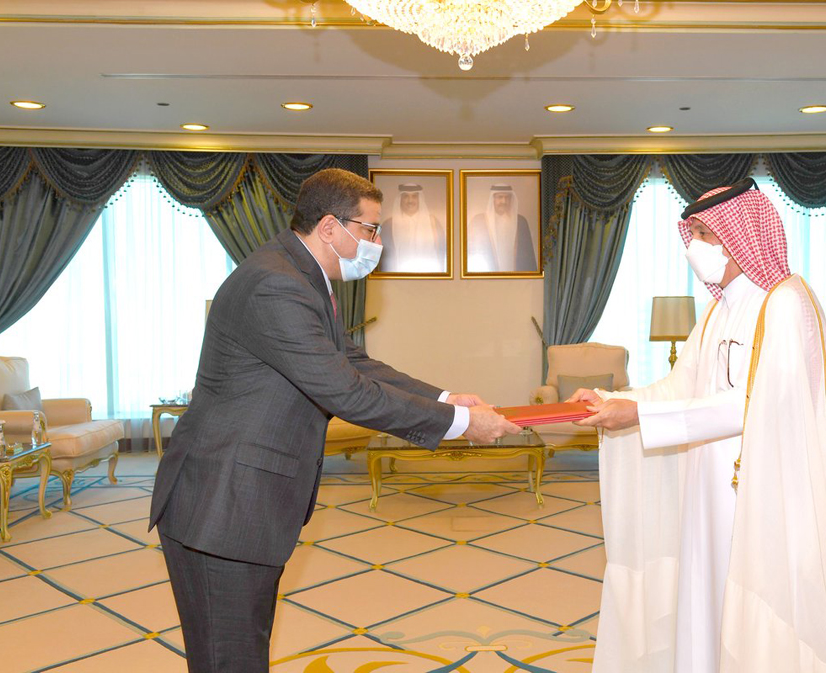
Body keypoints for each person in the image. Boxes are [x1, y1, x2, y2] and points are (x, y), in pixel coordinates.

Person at [148, 168, 520, 673]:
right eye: (370, 230)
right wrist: (458, 423)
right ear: (329, 227)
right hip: (223, 505)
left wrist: (446, 397)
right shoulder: (274, 285)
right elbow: (345, 390)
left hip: (243, 502)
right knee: (228, 660)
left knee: (240, 652)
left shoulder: (300, 276)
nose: (377, 242)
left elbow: (354, 362)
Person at [569, 179, 826, 672]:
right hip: (707, 489)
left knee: (759, 608)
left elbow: (758, 406)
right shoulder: (714, 311)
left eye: (705, 233)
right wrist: (611, 400)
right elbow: (679, 387)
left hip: (764, 494)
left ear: (738, 234)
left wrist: (639, 416)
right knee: (707, 596)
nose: (696, 246)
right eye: (695, 234)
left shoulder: (785, 303)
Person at [466, 184, 538, 272]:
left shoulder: (521, 221)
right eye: (500, 197)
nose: (504, 201)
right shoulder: (478, 221)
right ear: (493, 199)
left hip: (517, 279)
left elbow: (528, 255)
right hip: (487, 279)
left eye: (507, 198)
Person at [378, 183, 446, 273]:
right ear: (400, 199)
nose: (410, 201)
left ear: (419, 199)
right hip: (396, 280)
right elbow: (382, 258)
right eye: (406, 196)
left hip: (428, 278)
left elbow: (441, 253)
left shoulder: (433, 223)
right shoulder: (388, 225)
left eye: (414, 196)